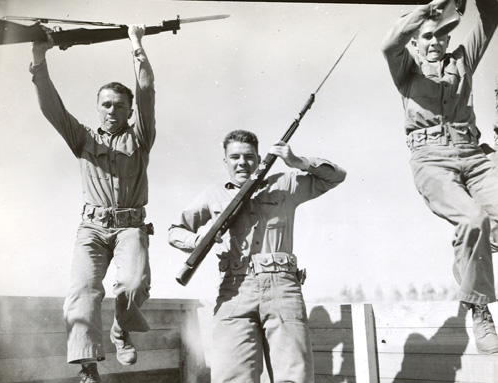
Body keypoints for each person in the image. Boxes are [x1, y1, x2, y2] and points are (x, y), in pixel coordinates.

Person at [168, 129, 346, 382]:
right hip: (234, 291)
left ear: (259, 158)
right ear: (225, 161)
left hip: (283, 288)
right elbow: (175, 231)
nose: (242, 163)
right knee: (231, 376)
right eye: (235, 157)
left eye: (249, 157)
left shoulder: (284, 183)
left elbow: (335, 176)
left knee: (294, 376)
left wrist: (297, 161)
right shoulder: (213, 194)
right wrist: (200, 240)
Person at [30, 25, 156, 382]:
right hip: (93, 227)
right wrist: (39, 58)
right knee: (82, 291)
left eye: (119, 104)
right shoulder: (83, 138)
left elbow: (146, 91)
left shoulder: (141, 137)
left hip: (131, 225)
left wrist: (136, 43)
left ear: (130, 111)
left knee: (133, 284)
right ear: (97, 108)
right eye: (105, 104)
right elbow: (51, 106)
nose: (112, 109)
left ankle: (121, 329)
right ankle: (88, 367)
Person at [381, 0, 498, 354]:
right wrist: (427, 12)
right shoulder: (405, 69)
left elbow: (491, 18)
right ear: (415, 43)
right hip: (432, 160)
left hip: (474, 155)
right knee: (474, 219)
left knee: (487, 224)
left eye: (441, 36)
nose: (435, 42)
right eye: (427, 37)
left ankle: (467, 257)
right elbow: (389, 44)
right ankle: (480, 309)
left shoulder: (462, 60)